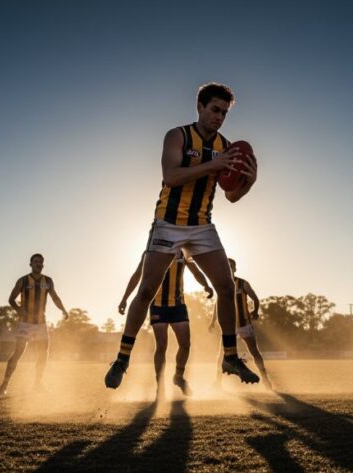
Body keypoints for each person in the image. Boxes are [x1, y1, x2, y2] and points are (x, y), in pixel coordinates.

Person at [105, 82, 260, 389]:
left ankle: (230, 356)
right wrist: (212, 165)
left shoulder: (225, 146)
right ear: (200, 107)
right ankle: (122, 359)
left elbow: (230, 196)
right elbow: (171, 176)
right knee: (148, 288)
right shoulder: (177, 135)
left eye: (224, 113)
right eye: (215, 110)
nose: (219, 117)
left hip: (202, 225)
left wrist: (249, 182)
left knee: (226, 288)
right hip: (168, 222)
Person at [119, 251, 213, 398]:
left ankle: (178, 376)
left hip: (178, 305)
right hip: (157, 305)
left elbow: (196, 272)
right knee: (162, 346)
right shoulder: (150, 252)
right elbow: (137, 275)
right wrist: (125, 298)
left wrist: (206, 285)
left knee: (185, 344)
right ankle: (160, 385)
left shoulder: (183, 253)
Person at [0, 253, 69, 395]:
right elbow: (11, 299)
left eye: (41, 262)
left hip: (41, 323)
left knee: (43, 354)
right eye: (36, 262)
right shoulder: (23, 281)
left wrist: (64, 310)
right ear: (30, 264)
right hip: (25, 324)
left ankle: (37, 384)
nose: (39, 264)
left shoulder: (48, 281)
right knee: (18, 353)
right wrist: (19, 310)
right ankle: (4, 384)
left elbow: (55, 297)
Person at [212, 258, 273, 389]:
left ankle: (265, 379)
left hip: (244, 324)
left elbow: (255, 299)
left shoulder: (242, 283)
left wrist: (255, 310)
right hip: (229, 326)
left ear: (235, 269)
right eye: (226, 266)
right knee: (222, 354)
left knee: (254, 351)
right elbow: (217, 305)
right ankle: (217, 383)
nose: (229, 268)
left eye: (231, 266)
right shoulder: (220, 284)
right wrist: (213, 321)